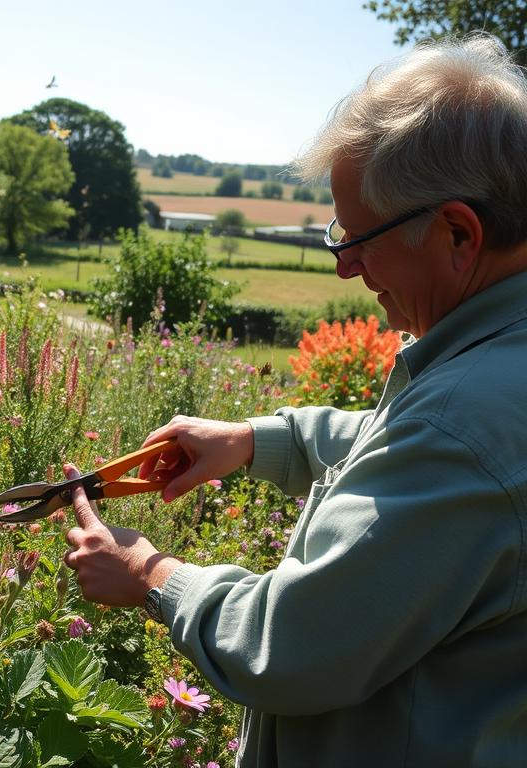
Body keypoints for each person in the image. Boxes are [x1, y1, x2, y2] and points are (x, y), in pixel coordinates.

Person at [61, 34, 527, 767]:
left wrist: (151, 574)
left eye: (359, 238)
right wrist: (255, 442)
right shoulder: (497, 369)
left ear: (459, 233)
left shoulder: (464, 423)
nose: (344, 268)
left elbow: (290, 649)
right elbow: (398, 446)